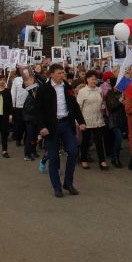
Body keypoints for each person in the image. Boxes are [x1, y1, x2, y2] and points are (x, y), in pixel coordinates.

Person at [36, 63, 87, 198]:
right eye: (59, 73)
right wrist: (41, 127)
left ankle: (68, 183)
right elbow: (38, 111)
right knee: (53, 158)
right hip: (51, 126)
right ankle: (57, 187)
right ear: (51, 74)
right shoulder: (43, 89)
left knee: (73, 151)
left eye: (62, 73)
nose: (62, 75)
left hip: (66, 124)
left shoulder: (67, 87)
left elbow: (74, 106)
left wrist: (81, 121)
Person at [77, 71, 109, 171]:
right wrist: (79, 121)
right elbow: (78, 107)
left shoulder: (99, 90)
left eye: (95, 79)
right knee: (86, 142)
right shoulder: (83, 91)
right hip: (86, 121)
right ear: (87, 80)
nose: (94, 81)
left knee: (99, 141)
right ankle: (83, 159)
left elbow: (102, 102)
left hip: (98, 120)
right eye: (92, 79)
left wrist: (103, 106)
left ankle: (102, 161)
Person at [103, 71, 125, 168]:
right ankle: (115, 157)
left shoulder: (122, 93)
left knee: (118, 139)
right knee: (119, 138)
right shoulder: (109, 94)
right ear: (113, 85)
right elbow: (111, 108)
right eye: (116, 85)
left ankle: (115, 155)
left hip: (121, 119)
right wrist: (120, 102)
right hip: (114, 120)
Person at [20, 70, 41, 161]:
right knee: (30, 135)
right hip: (30, 119)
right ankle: (27, 154)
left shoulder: (37, 92)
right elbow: (28, 110)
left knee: (35, 135)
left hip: (36, 118)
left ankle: (33, 151)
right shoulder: (30, 97)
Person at [11, 69, 27, 147]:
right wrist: (13, 104)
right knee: (20, 124)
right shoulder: (16, 80)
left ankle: (26, 140)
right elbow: (13, 92)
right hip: (19, 106)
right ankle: (18, 138)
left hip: (29, 106)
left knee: (28, 124)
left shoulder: (31, 78)